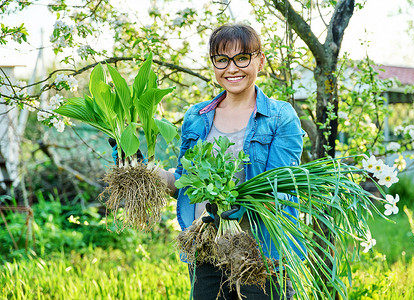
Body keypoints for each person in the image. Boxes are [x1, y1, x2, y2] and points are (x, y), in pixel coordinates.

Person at [113, 23, 305, 299]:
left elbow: (279, 187)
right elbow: (184, 181)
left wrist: (241, 205)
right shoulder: (197, 116)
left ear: (260, 60)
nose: (232, 68)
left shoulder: (280, 117)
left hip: (260, 256)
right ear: (213, 64)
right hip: (206, 253)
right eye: (222, 60)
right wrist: (140, 170)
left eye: (242, 57)